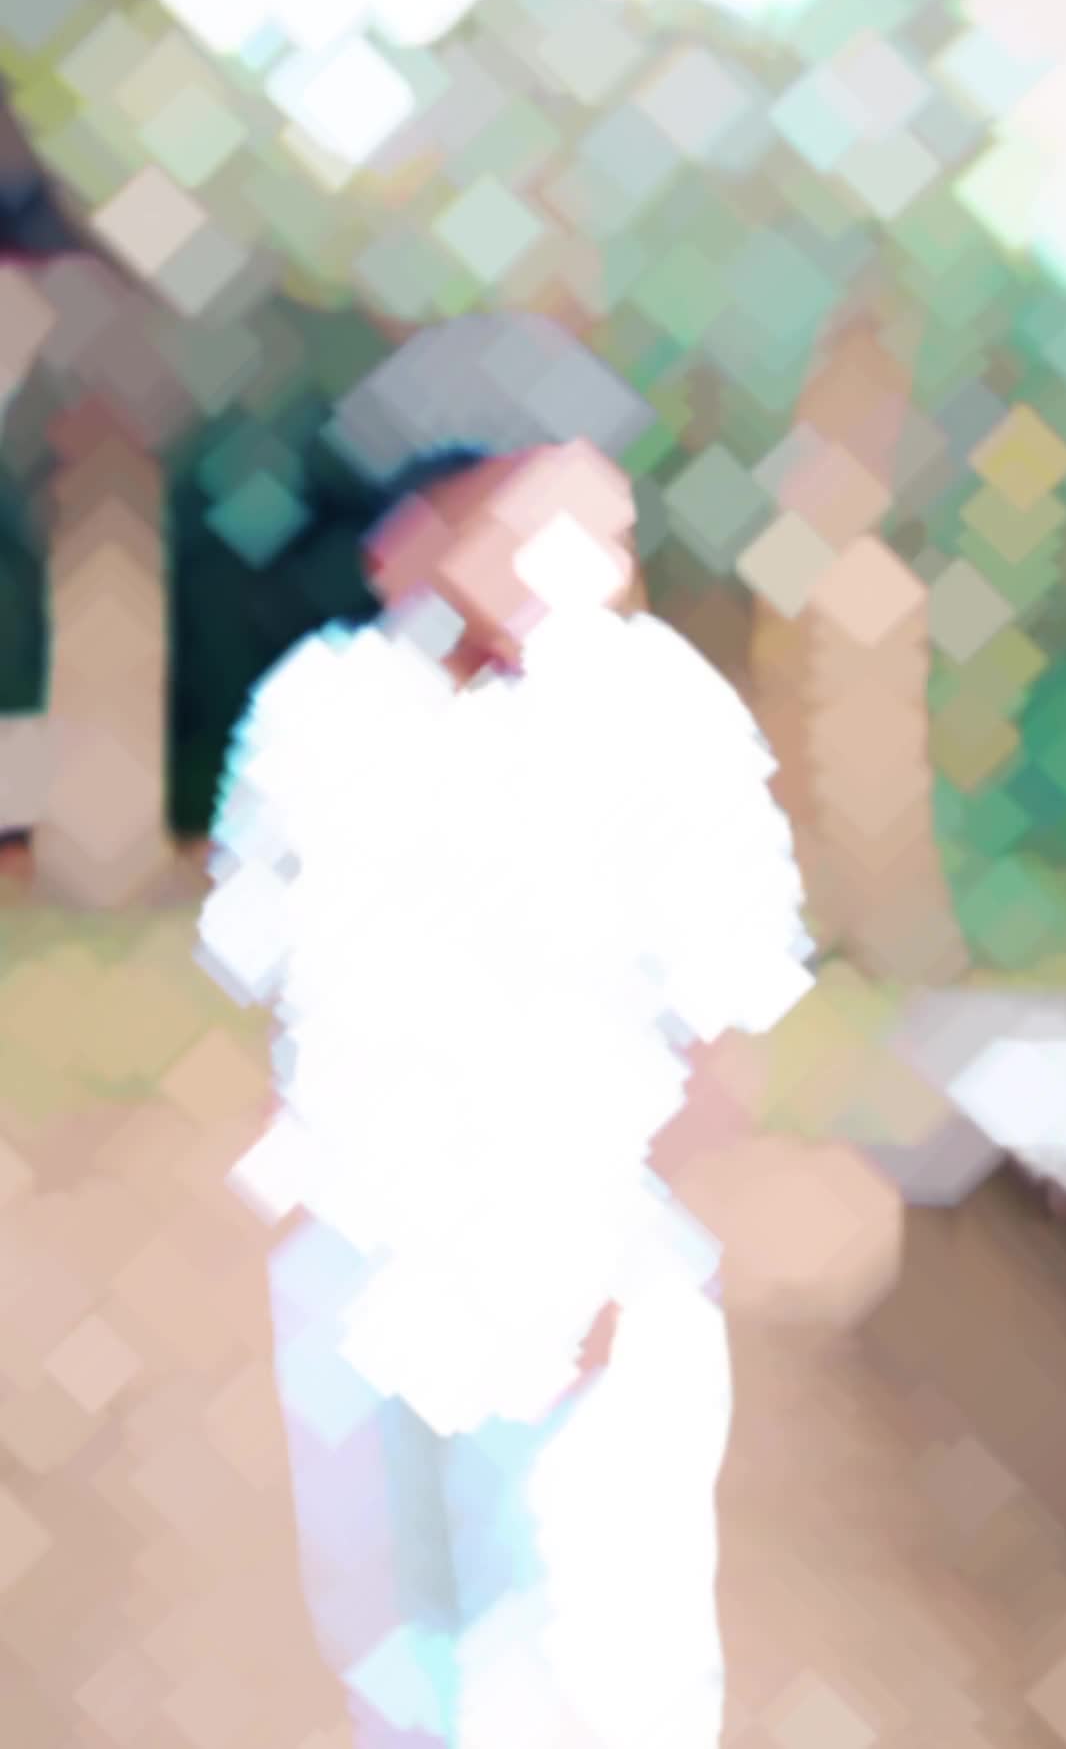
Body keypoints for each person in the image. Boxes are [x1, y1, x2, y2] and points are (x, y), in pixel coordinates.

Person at [196, 435, 816, 1749]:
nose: (578, 558)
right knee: (395, 1649)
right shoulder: (319, 707)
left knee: (599, 1664)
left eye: (601, 529)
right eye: (520, 521)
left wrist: (626, 1253)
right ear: (413, 537)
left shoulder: (661, 711)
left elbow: (727, 1019)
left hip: (586, 1261)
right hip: (362, 1258)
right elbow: (271, 974)